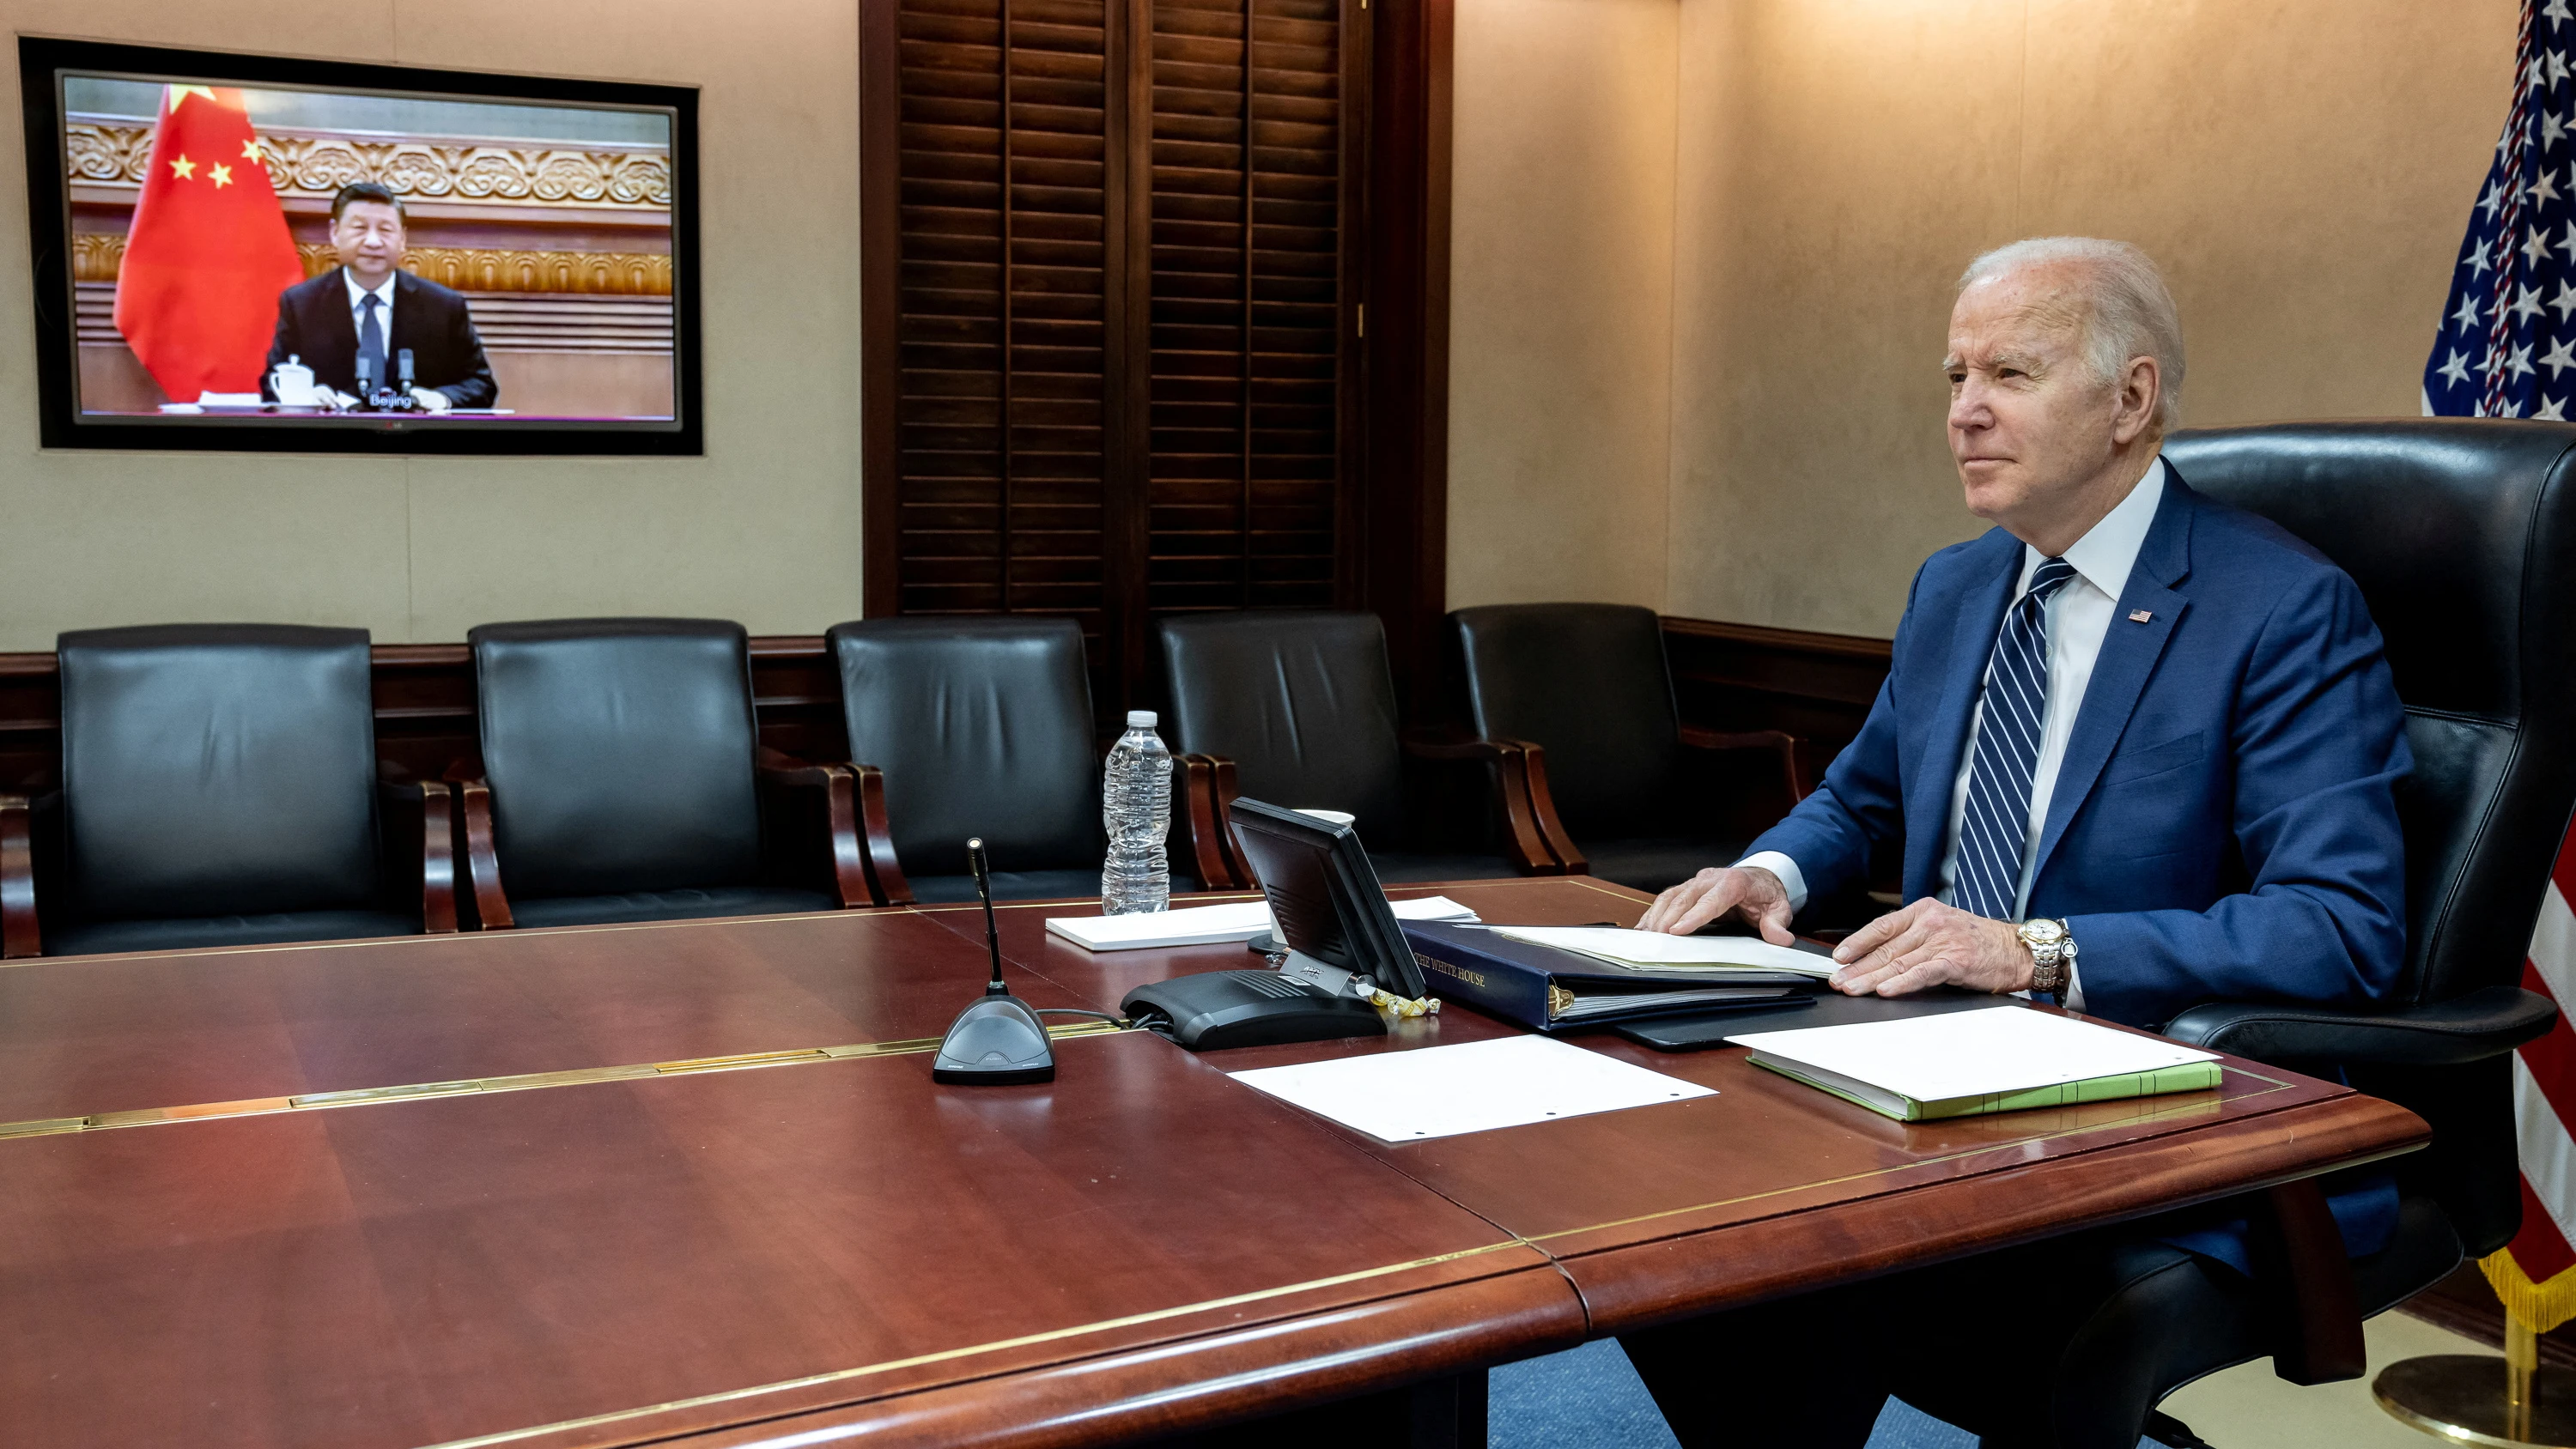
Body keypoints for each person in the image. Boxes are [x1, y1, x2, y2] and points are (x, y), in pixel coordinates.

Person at [1619, 238, 2410, 1446]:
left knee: (1778, 1260)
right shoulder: (1958, 586)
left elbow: (2340, 926)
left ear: (2130, 401)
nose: (1965, 414)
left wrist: (2033, 951)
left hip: (2138, 1101)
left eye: (2011, 375)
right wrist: (1763, 871)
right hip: (1911, 1064)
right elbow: (1858, 800)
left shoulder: (2282, 608)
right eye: (1954, 377)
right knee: (1659, 1210)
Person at [262, 182, 496, 410]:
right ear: (334, 232)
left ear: (402, 239)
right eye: (360, 228)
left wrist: (441, 398)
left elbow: (482, 385)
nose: (373, 242)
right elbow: (272, 382)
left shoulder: (443, 306)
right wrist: (304, 396)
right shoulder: (302, 304)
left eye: (385, 230)